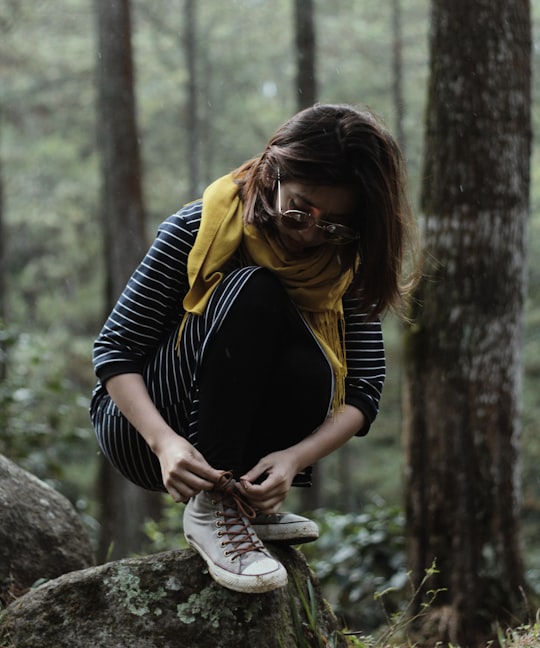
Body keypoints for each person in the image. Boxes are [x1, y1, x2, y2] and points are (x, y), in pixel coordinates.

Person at [90, 103, 416, 595]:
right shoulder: (199, 226)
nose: (308, 233)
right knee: (256, 289)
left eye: (331, 226)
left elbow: (365, 389)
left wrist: (292, 458)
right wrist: (164, 442)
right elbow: (115, 349)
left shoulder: (344, 262)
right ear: (273, 170)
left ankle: (241, 501)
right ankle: (213, 508)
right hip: (145, 428)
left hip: (244, 445)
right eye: (299, 210)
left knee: (312, 359)